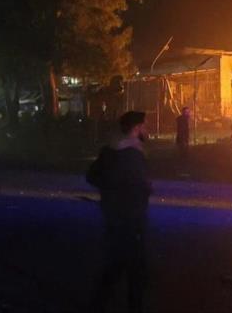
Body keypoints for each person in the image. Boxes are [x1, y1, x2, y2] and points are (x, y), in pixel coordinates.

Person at [87, 111, 152, 313]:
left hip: (113, 216)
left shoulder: (109, 150)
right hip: (131, 220)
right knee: (135, 271)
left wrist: (109, 193)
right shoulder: (134, 154)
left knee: (114, 265)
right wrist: (144, 190)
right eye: (145, 125)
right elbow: (137, 186)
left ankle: (98, 305)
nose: (147, 129)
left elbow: (92, 176)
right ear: (137, 127)